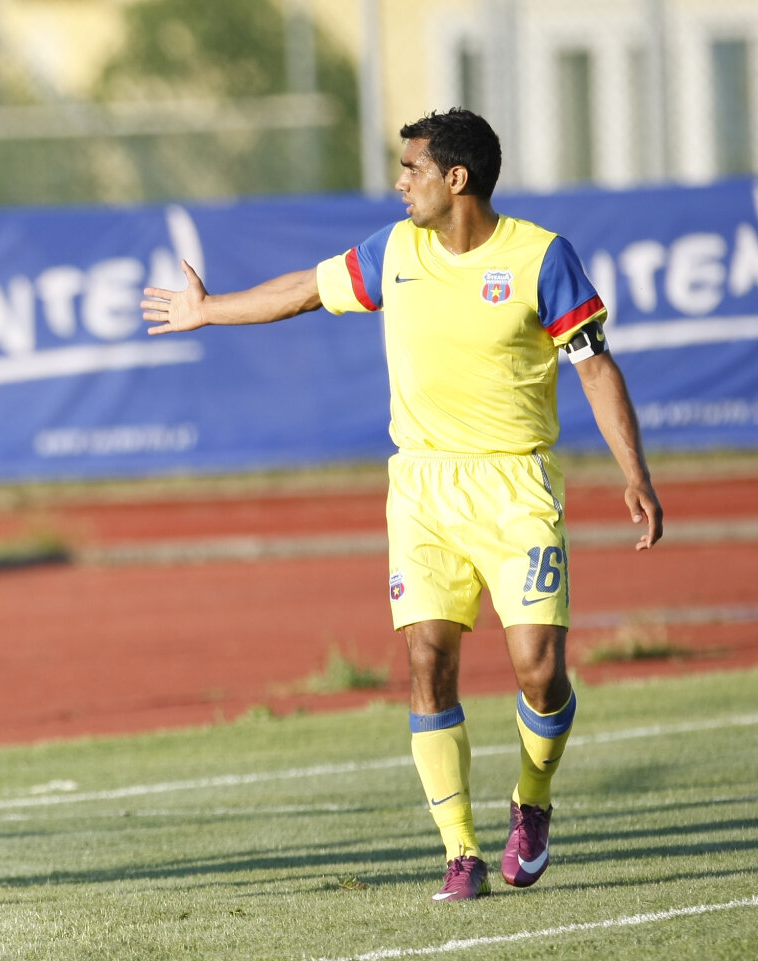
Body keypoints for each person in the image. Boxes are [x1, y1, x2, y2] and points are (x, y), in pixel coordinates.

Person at [142, 107, 663, 902]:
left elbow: (594, 367)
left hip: (515, 486)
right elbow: (304, 290)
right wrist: (210, 309)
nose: (399, 183)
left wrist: (635, 471)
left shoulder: (541, 258)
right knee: (427, 660)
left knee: (541, 671)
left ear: (457, 179)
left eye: (412, 169)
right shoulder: (395, 251)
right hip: (420, 488)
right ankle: (461, 851)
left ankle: (533, 797)